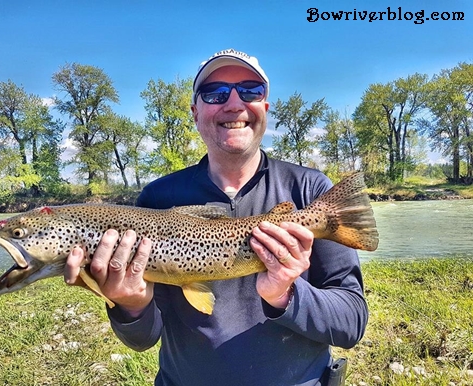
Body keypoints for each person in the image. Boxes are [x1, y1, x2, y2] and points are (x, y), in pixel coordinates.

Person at [65, 48, 368, 386]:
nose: (235, 103)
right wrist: (130, 303)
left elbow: (351, 324)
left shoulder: (310, 191)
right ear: (196, 113)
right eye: (216, 93)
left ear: (265, 107)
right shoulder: (157, 200)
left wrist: (287, 294)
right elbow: (143, 339)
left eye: (251, 90)